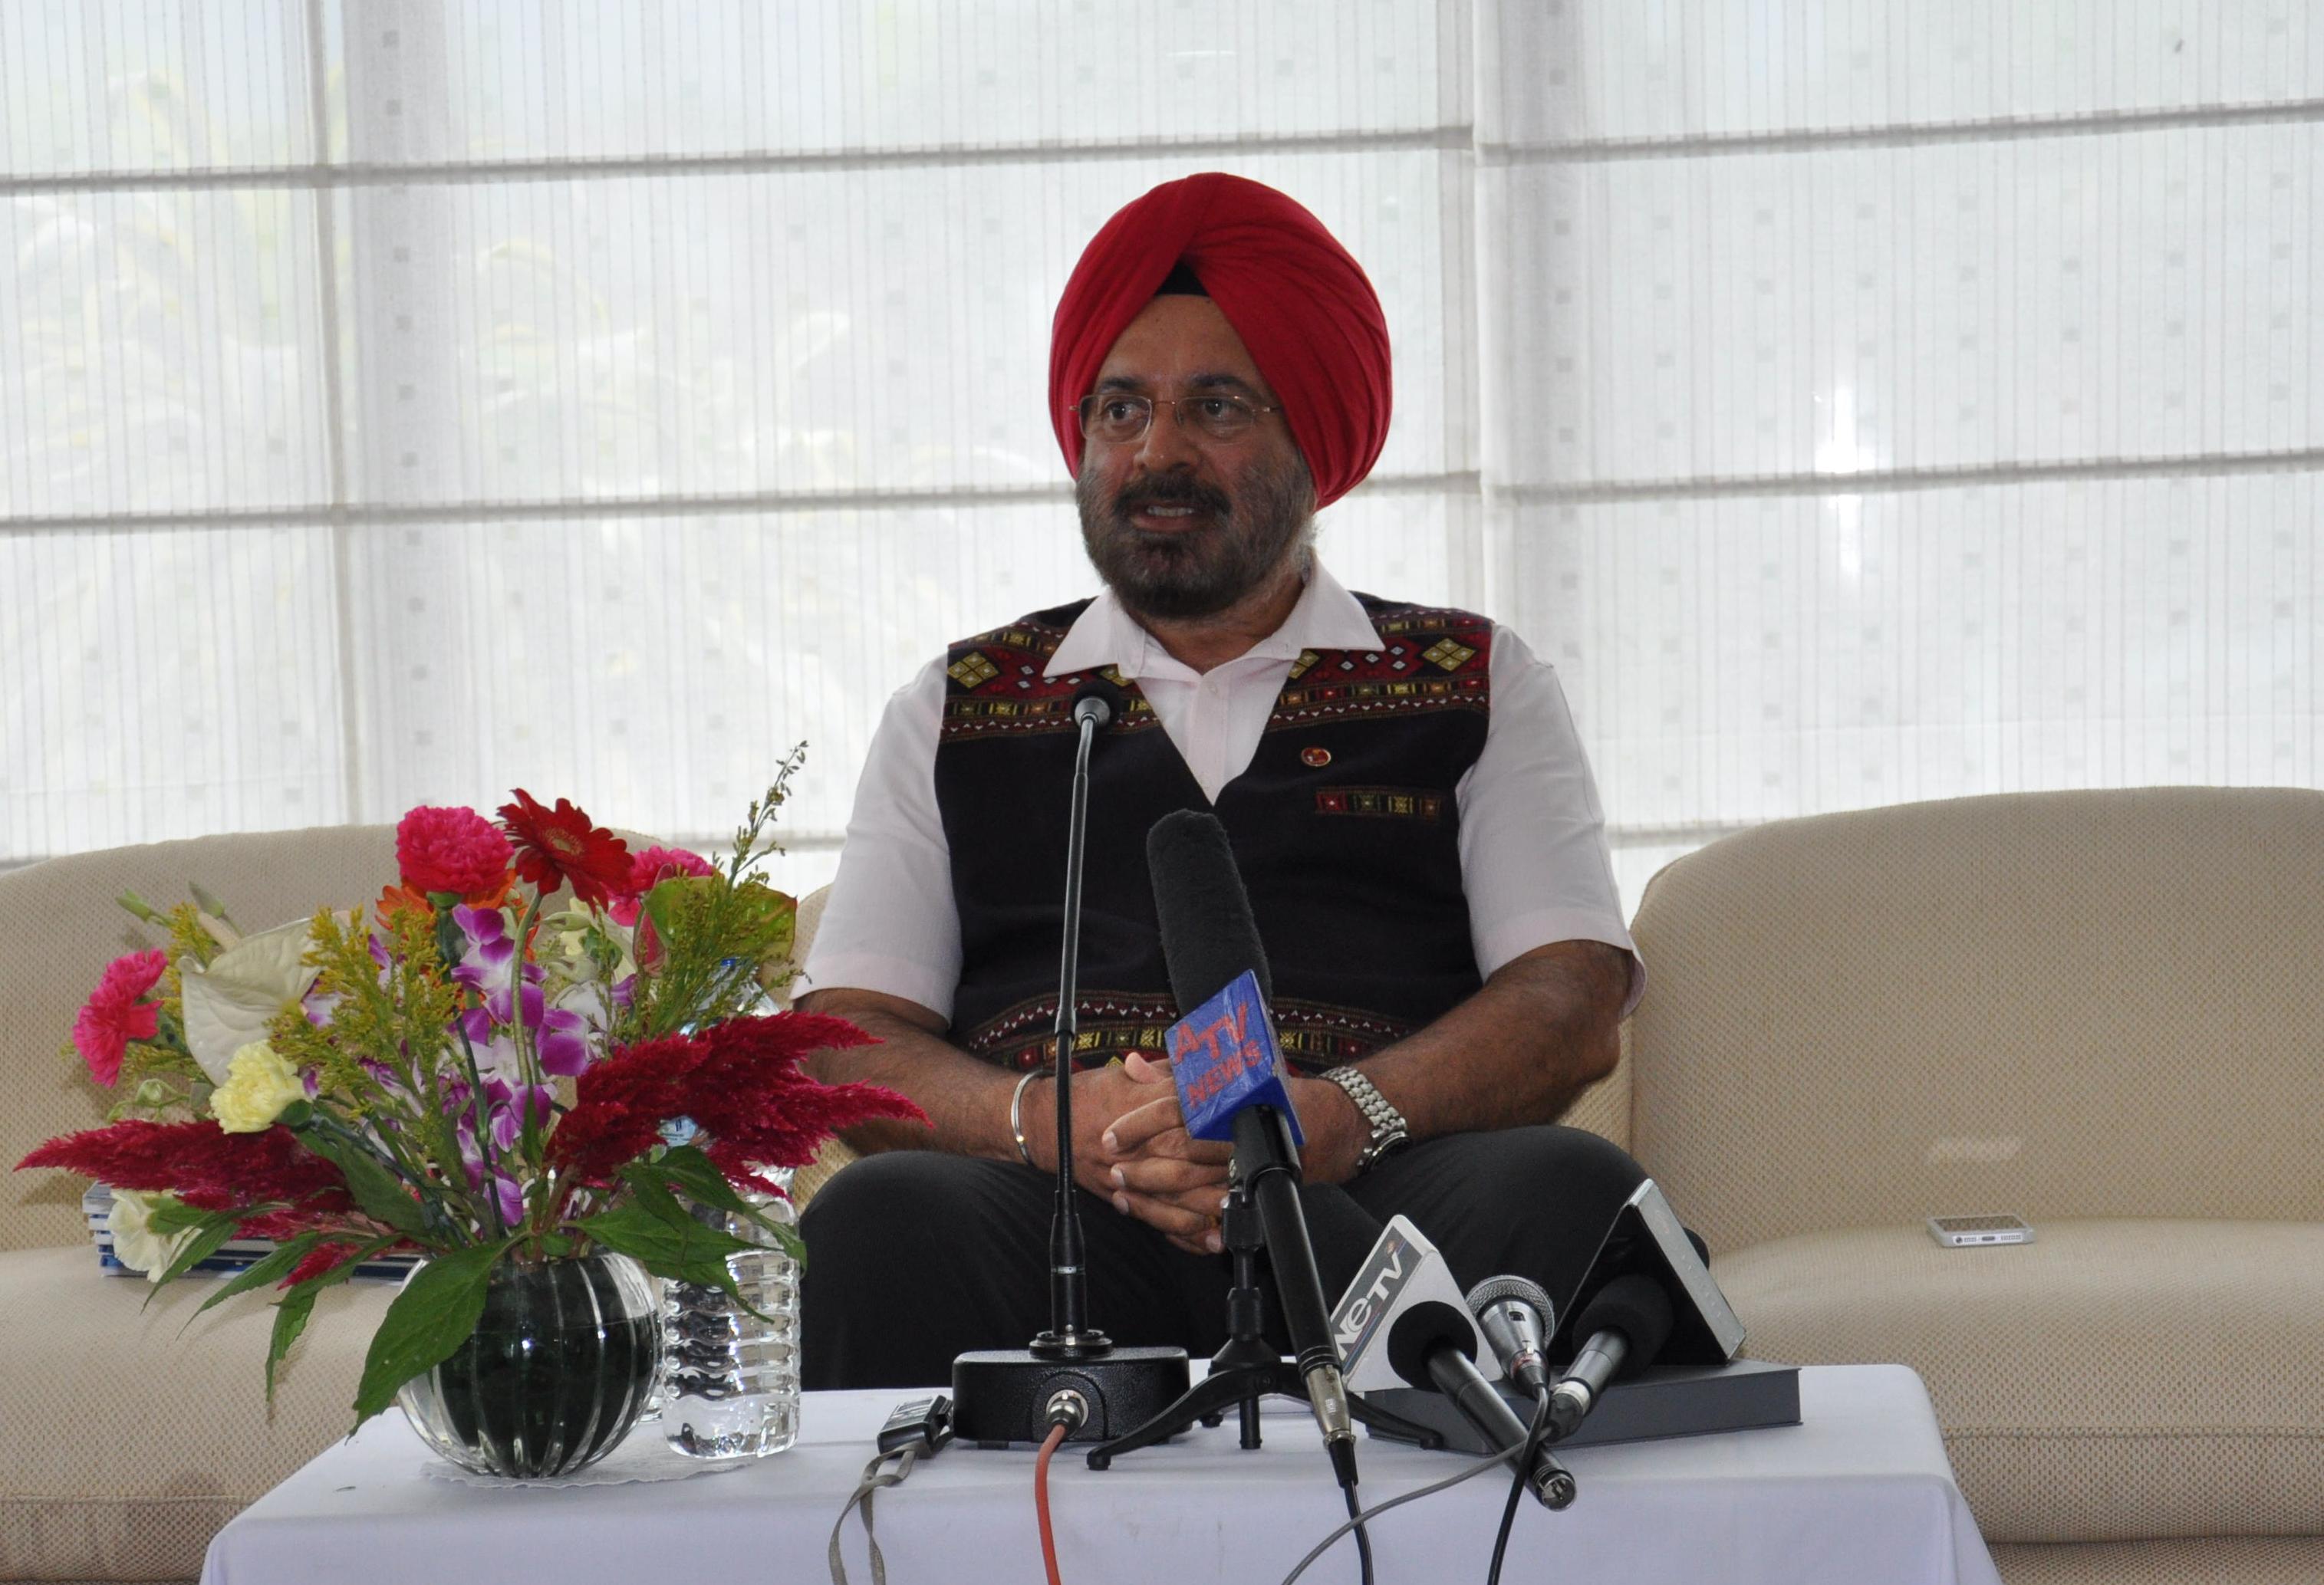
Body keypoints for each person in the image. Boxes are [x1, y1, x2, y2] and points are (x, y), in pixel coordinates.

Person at [796, 173, 1647, 1391]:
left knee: (1571, 1192)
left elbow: (1567, 996)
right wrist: (1051, 1121)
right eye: (1120, 410)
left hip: (1374, 1188)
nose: (1158, 454)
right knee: (877, 1222)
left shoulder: (1473, 680)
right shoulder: (960, 702)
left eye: (1217, 407)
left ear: (1315, 440)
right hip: (1056, 1213)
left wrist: (1338, 1113)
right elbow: (844, 1043)